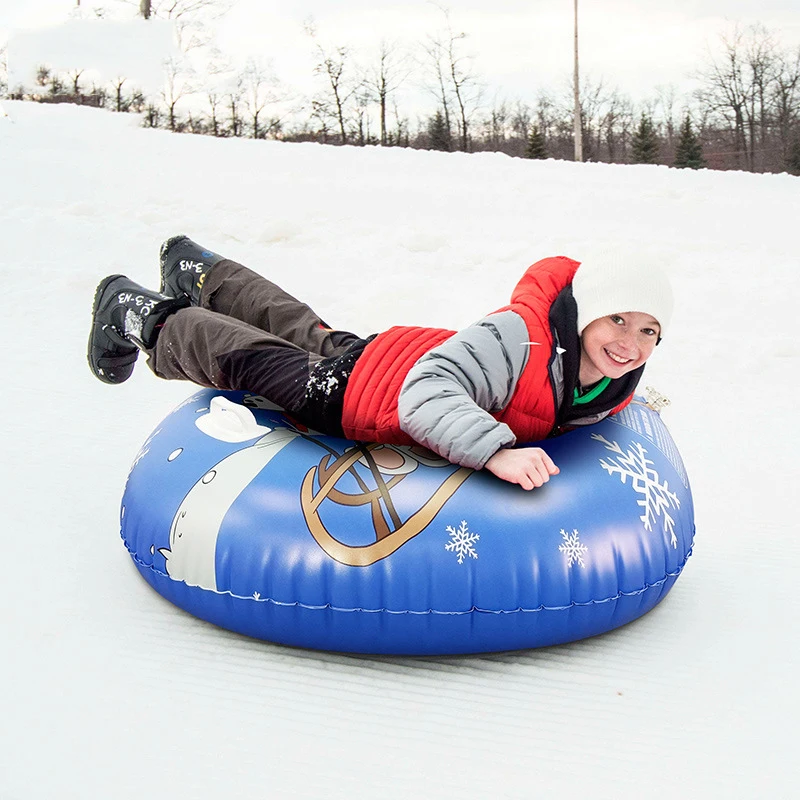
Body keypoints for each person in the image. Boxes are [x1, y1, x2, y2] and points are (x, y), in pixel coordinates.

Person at [88, 236, 673, 490]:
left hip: (386, 355)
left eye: (649, 331)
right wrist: (494, 450)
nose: (630, 344)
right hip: (359, 396)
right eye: (617, 320)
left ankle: (199, 271)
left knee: (304, 331)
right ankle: (136, 314)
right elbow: (425, 395)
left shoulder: (603, 376)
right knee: (250, 359)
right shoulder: (522, 336)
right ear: (584, 314)